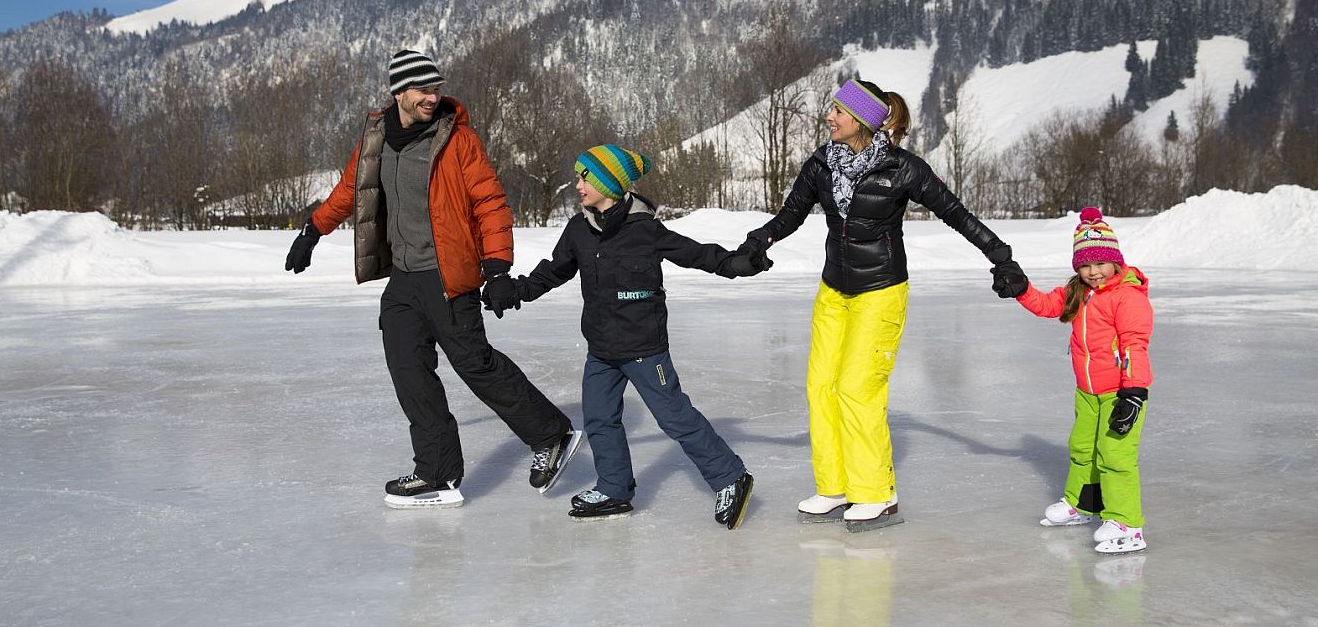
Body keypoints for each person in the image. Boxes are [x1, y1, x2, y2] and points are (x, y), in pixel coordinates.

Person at [284, 48, 580, 509]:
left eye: (436, 88)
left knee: (475, 363)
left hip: (448, 276)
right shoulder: (376, 137)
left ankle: (552, 434)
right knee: (408, 370)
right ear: (399, 92)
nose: (432, 97)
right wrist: (312, 231)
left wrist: (498, 268)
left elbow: (490, 203)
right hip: (403, 279)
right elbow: (349, 191)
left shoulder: (457, 140)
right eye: (423, 89)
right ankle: (438, 473)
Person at [739, 78, 1018, 532]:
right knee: (821, 387)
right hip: (833, 291)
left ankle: (877, 495)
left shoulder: (902, 168)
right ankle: (835, 487)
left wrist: (1002, 257)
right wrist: (758, 241)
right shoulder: (822, 164)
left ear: (862, 122)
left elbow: (957, 214)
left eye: (838, 112)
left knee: (857, 388)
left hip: (881, 291)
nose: (829, 117)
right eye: (832, 110)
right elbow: (790, 215)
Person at [499, 144, 767, 529]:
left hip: (644, 347)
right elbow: (553, 271)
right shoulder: (579, 229)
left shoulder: (644, 230)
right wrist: (517, 291)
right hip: (601, 349)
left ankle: (730, 478)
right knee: (600, 420)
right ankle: (614, 488)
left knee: (675, 418)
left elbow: (696, 254)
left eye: (584, 178)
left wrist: (737, 264)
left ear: (608, 182)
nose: (577, 185)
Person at [993, 207, 1153, 555]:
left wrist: (1134, 393)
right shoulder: (1080, 292)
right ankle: (1083, 504)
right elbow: (1047, 305)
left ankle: (1127, 522)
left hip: (1120, 392)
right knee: (1082, 449)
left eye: (1100, 264)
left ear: (1115, 261)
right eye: (1085, 265)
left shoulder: (1127, 297)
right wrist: (1021, 288)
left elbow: (1135, 346)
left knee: (1115, 455)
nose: (1093, 272)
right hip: (1088, 392)